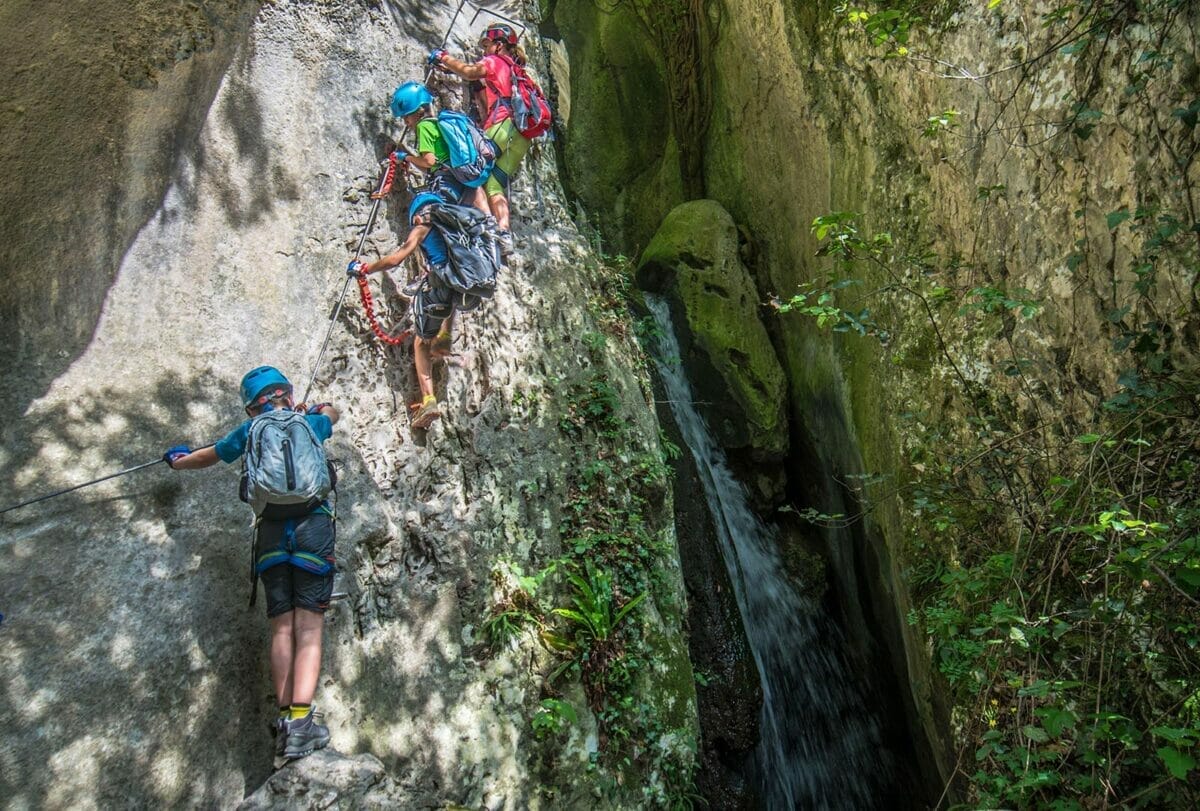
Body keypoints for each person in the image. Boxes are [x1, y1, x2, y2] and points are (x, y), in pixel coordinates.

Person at [163, 366, 340, 761]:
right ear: (288, 395)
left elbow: (207, 457)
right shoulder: (310, 422)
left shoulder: (249, 431)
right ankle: (302, 723)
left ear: (250, 407)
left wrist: (178, 462)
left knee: (281, 625)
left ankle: (285, 723)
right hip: (313, 527)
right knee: (309, 624)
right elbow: (333, 414)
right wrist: (319, 409)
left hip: (271, 535)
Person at [349, 192, 481, 429]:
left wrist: (365, 268)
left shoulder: (423, 229)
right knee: (441, 316)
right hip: (458, 288)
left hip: (438, 289)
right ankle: (443, 340)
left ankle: (428, 399)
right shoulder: (454, 229)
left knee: (420, 342)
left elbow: (396, 259)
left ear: (419, 217)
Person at [428, 23, 532, 254]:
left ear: (499, 45)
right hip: (522, 137)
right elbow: (487, 108)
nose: (484, 51)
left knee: (471, 173)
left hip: (503, 128)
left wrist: (443, 58)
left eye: (486, 46)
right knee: (494, 185)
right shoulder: (518, 72)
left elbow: (468, 71)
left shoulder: (496, 62)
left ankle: (487, 225)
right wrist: (478, 91)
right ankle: (504, 234)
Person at [383, 81, 490, 217]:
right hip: (461, 178)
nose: (405, 122)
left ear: (417, 111)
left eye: (406, 116)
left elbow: (429, 162)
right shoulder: (435, 123)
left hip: (446, 182)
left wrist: (405, 157)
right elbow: (430, 168)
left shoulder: (423, 127)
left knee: (438, 221)